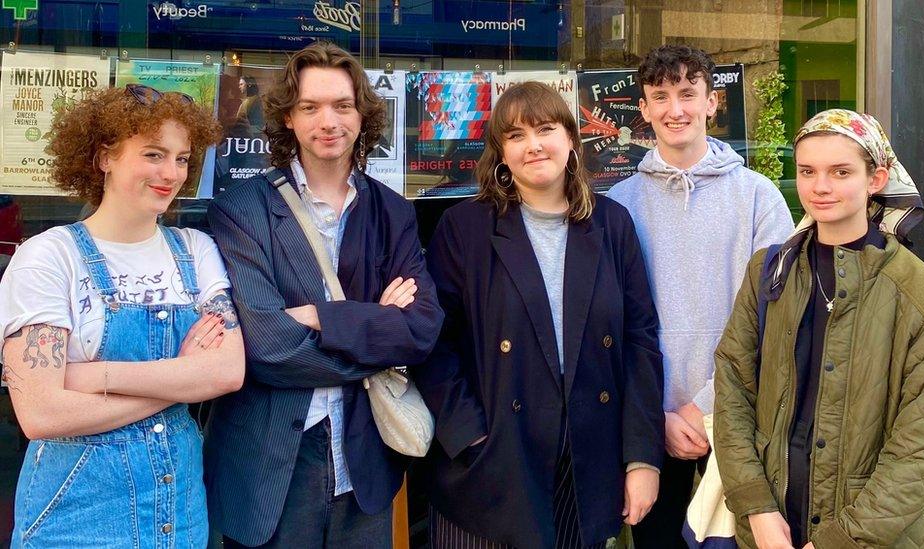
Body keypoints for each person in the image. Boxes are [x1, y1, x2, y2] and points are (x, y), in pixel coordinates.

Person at [205, 42, 443, 548]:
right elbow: (266, 346)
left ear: (362, 114)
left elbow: (421, 330)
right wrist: (375, 326)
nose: (327, 121)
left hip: (366, 458)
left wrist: (318, 315)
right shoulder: (242, 209)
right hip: (270, 463)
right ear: (288, 117)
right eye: (310, 107)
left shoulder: (392, 212)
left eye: (342, 105)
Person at [415, 81, 666, 549]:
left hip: (587, 461)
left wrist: (641, 459)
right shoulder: (464, 229)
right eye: (515, 135)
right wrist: (469, 436)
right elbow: (434, 344)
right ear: (501, 155)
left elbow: (641, 341)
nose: (533, 145)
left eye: (546, 129)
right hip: (491, 466)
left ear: (571, 140)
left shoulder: (612, 225)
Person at [0, 84, 244, 547]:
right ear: (104, 157)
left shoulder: (197, 250)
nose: (170, 173)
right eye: (153, 154)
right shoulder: (49, 257)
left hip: (180, 510)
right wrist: (181, 384)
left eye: (181, 158)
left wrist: (94, 377)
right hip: (77, 515)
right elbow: (41, 413)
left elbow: (227, 372)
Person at [714, 109, 924, 548]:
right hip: (771, 527)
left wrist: (839, 540)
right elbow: (733, 389)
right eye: (807, 171)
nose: (821, 186)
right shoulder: (768, 273)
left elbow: (920, 449)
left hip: (873, 536)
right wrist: (757, 506)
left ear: (877, 178)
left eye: (841, 171)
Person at [606, 45, 794, 548]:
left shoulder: (759, 198)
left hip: (739, 418)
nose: (676, 109)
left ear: (712, 102)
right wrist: (657, 415)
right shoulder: (616, 206)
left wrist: (703, 409)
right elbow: (609, 325)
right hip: (650, 424)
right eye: (660, 96)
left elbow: (776, 316)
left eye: (689, 94)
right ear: (643, 109)